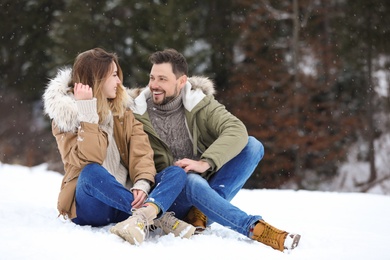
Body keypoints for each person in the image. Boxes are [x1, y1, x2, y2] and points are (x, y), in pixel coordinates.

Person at [128, 48, 301, 252]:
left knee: (253, 146)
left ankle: (201, 212)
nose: (154, 85)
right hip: (170, 193)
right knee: (191, 180)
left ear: (181, 81)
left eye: (162, 79)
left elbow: (236, 130)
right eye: (152, 78)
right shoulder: (137, 112)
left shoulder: (198, 102)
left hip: (204, 182)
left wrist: (206, 162)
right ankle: (254, 228)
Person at [43, 47, 196, 245]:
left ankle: (143, 215)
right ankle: (157, 216)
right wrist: (87, 113)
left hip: (126, 201)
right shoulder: (66, 116)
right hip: (93, 207)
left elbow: (142, 153)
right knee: (90, 172)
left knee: (176, 173)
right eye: (113, 75)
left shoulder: (123, 112)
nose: (119, 81)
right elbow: (91, 158)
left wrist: (141, 184)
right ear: (96, 78)